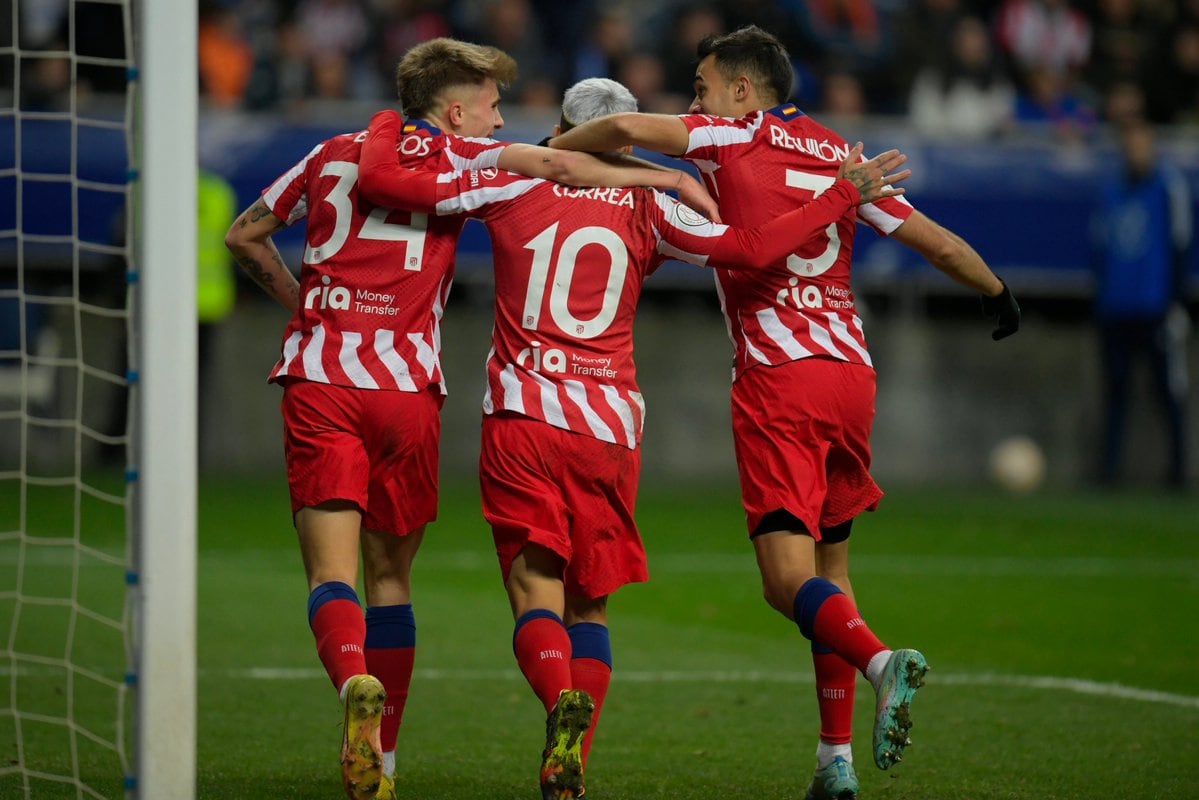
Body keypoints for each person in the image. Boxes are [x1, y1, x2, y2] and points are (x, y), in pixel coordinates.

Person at [356, 77, 910, 800]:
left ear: (565, 127)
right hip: (610, 425)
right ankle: (570, 756)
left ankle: (560, 704)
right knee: (591, 605)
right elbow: (751, 249)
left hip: (525, 412)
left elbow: (403, 188)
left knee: (534, 589)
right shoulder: (653, 207)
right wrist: (839, 194)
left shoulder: (512, 177)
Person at [223, 36, 730, 800]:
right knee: (398, 578)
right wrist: (686, 181)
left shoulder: (339, 150)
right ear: (455, 106)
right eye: (490, 105)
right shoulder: (484, 172)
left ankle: (357, 701)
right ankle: (418, 750)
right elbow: (734, 245)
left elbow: (244, 232)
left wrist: (308, 310)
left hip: (333, 375)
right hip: (470, 398)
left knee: (335, 574)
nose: (499, 121)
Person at [547, 24, 1022, 800]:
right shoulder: (840, 156)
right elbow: (934, 243)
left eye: (700, 86)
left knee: (784, 582)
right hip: (850, 377)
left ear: (741, 89)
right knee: (830, 572)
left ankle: (879, 662)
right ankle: (833, 763)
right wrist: (996, 292)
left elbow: (631, 127)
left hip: (779, 380)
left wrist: (566, 140)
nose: (692, 101)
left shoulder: (727, 135)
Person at [1090, 117, 1192, 488]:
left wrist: (1175, 301)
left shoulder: (1168, 188)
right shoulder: (1111, 190)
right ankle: (1109, 472)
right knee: (1115, 391)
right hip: (1116, 307)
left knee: (1168, 391)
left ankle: (1179, 471)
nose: (1136, 151)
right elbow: (1099, 248)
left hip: (1156, 307)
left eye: (1142, 143)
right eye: (1130, 143)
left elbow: (1181, 244)